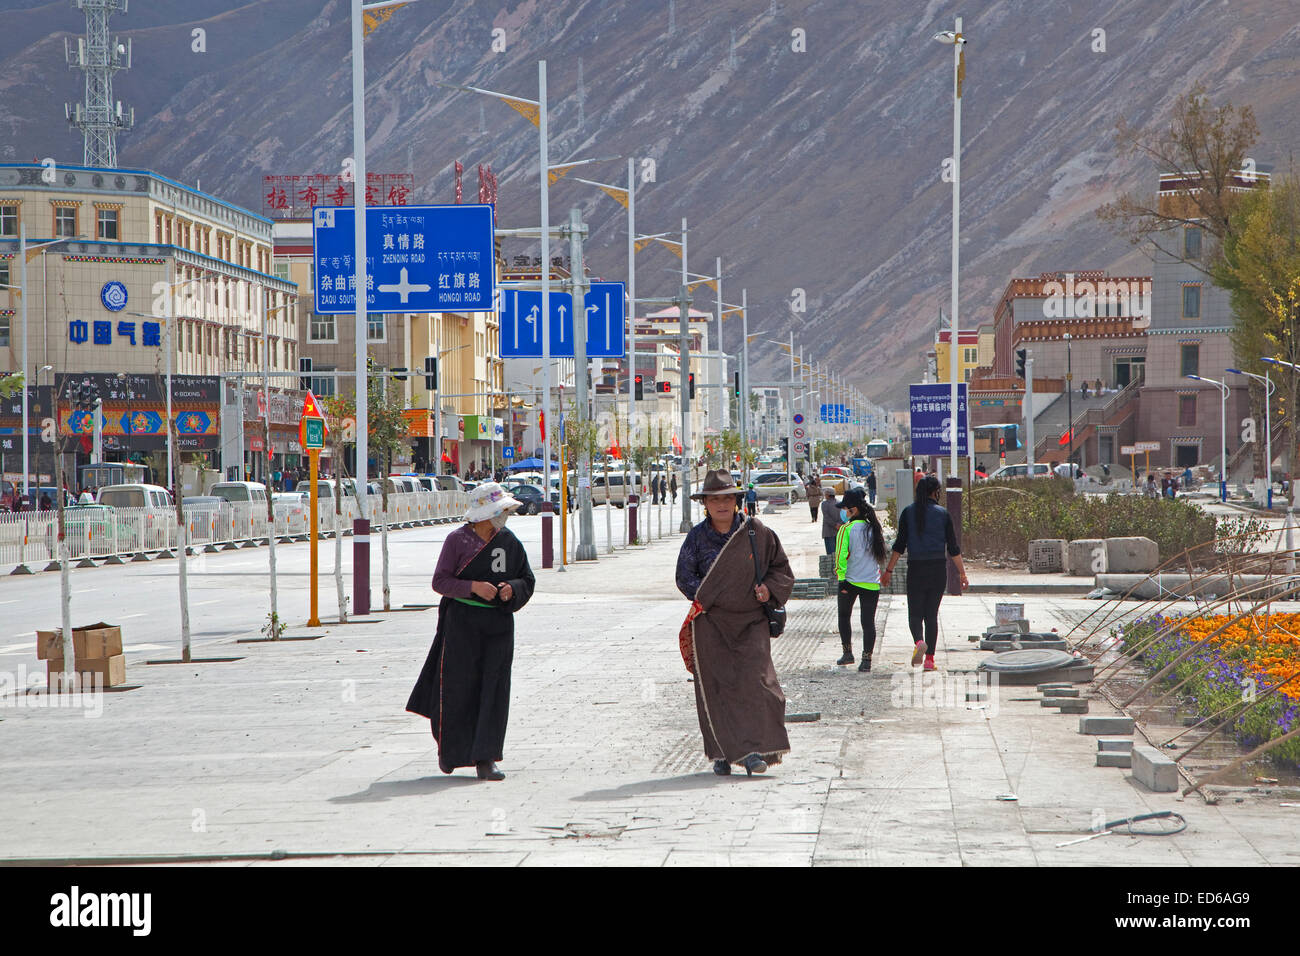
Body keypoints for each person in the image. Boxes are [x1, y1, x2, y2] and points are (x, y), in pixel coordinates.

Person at [406, 483, 535, 781]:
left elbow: (526, 579)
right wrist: (473, 587)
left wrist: (510, 591)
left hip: (498, 626)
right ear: (484, 515)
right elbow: (440, 582)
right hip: (461, 625)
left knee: (495, 689)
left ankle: (486, 758)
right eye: (500, 512)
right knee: (458, 689)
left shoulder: (508, 542)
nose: (504, 517)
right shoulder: (457, 541)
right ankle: (452, 752)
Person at [675, 469, 793, 777]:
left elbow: (781, 568)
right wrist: (710, 597)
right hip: (711, 624)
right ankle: (722, 753)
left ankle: (757, 748)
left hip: (751, 621)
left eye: (728, 498)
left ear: (737, 500)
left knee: (759, 683)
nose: (722, 505)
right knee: (716, 688)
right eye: (715, 500)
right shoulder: (697, 538)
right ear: (706, 504)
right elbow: (684, 577)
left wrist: (768, 589)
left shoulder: (756, 532)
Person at [881, 475, 968, 673]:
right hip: (938, 569)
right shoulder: (943, 514)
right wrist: (962, 574)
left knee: (915, 614)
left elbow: (899, 546)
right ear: (935, 492)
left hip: (916, 569)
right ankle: (929, 660)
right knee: (931, 616)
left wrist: (888, 571)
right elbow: (953, 548)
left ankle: (919, 642)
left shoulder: (908, 513)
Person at [834, 487, 886, 671]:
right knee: (868, 622)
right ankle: (866, 660)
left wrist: (841, 579)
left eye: (845, 508)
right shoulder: (874, 528)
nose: (843, 512)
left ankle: (847, 653)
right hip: (872, 582)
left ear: (853, 510)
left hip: (850, 580)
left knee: (844, 616)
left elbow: (840, 556)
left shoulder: (847, 529)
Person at [819, 487, 842, 555]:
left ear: (828, 495)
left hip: (828, 532)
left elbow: (826, 517)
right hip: (839, 530)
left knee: (831, 555)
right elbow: (844, 516)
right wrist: (839, 524)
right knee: (839, 553)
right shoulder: (840, 503)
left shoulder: (824, 504)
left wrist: (835, 525)